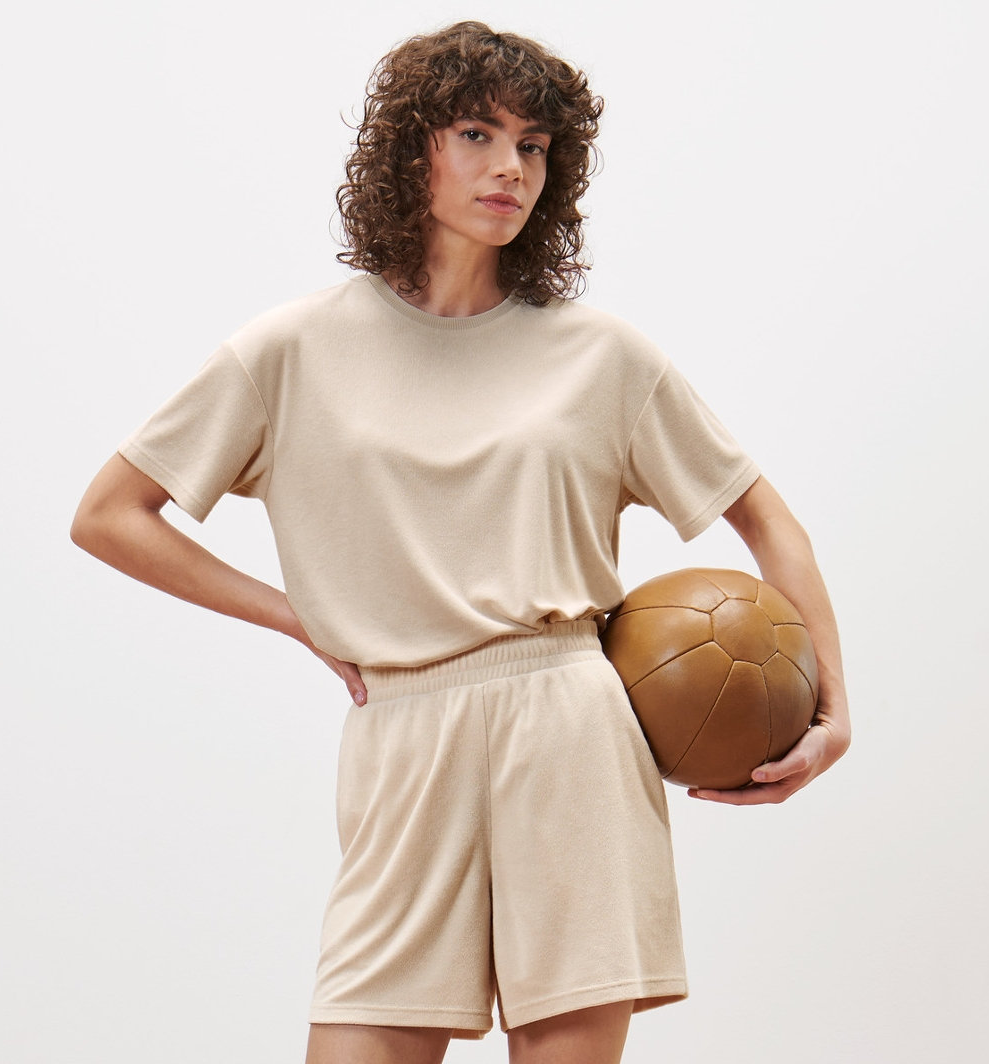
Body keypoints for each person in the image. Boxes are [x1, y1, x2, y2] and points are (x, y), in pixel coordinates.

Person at [71, 20, 850, 1064]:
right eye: (477, 132)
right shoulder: (291, 350)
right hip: (403, 737)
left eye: (532, 146)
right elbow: (109, 513)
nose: (507, 167)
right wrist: (295, 616)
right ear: (409, 150)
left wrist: (831, 706)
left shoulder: (598, 355)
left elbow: (767, 519)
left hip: (569, 729)